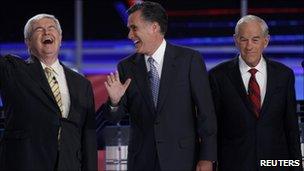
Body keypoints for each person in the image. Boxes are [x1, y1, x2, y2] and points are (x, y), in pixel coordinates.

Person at [98, 1, 217, 171]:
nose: (130, 35)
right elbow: (114, 118)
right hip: (142, 161)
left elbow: (207, 113)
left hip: (183, 159)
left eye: (134, 28)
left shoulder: (189, 60)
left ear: (154, 27)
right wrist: (115, 102)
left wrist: (207, 158)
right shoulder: (125, 67)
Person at [0, 14, 97, 170]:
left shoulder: (81, 83)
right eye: (39, 29)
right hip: (26, 163)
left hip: (69, 165)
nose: (46, 32)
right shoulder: (13, 71)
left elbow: (88, 137)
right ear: (28, 42)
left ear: (60, 39)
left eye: (51, 28)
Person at [209, 15, 302, 171]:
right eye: (244, 39)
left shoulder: (284, 75)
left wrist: (296, 166)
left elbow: (291, 127)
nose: (249, 46)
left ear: (266, 41)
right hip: (234, 165)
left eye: (255, 40)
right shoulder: (218, 76)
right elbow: (212, 127)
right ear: (235, 40)